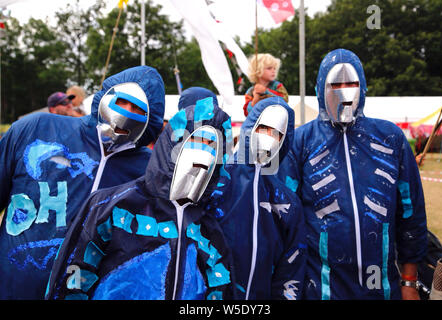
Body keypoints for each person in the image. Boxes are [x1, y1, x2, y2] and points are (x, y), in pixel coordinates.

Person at [0, 65, 165, 299]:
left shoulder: (149, 171)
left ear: (152, 120)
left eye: (138, 108)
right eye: (122, 102)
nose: (126, 113)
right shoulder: (35, 130)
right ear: (107, 95)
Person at [45, 97, 236, 300]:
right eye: (196, 140)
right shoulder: (113, 205)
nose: (204, 152)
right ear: (173, 142)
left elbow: (221, 289)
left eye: (212, 145)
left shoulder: (207, 228)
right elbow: (72, 277)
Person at [277, 49, 428, 300]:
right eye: (335, 84)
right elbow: (285, 221)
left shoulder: (390, 138)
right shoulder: (301, 142)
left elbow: (411, 213)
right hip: (322, 287)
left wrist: (410, 282)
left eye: (352, 83)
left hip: (383, 287)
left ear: (363, 86)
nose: (344, 91)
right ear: (320, 88)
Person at [207, 96, 306, 300]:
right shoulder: (215, 182)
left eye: (277, 133)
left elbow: (290, 270)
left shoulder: (286, 202)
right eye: (263, 128)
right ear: (250, 128)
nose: (269, 137)